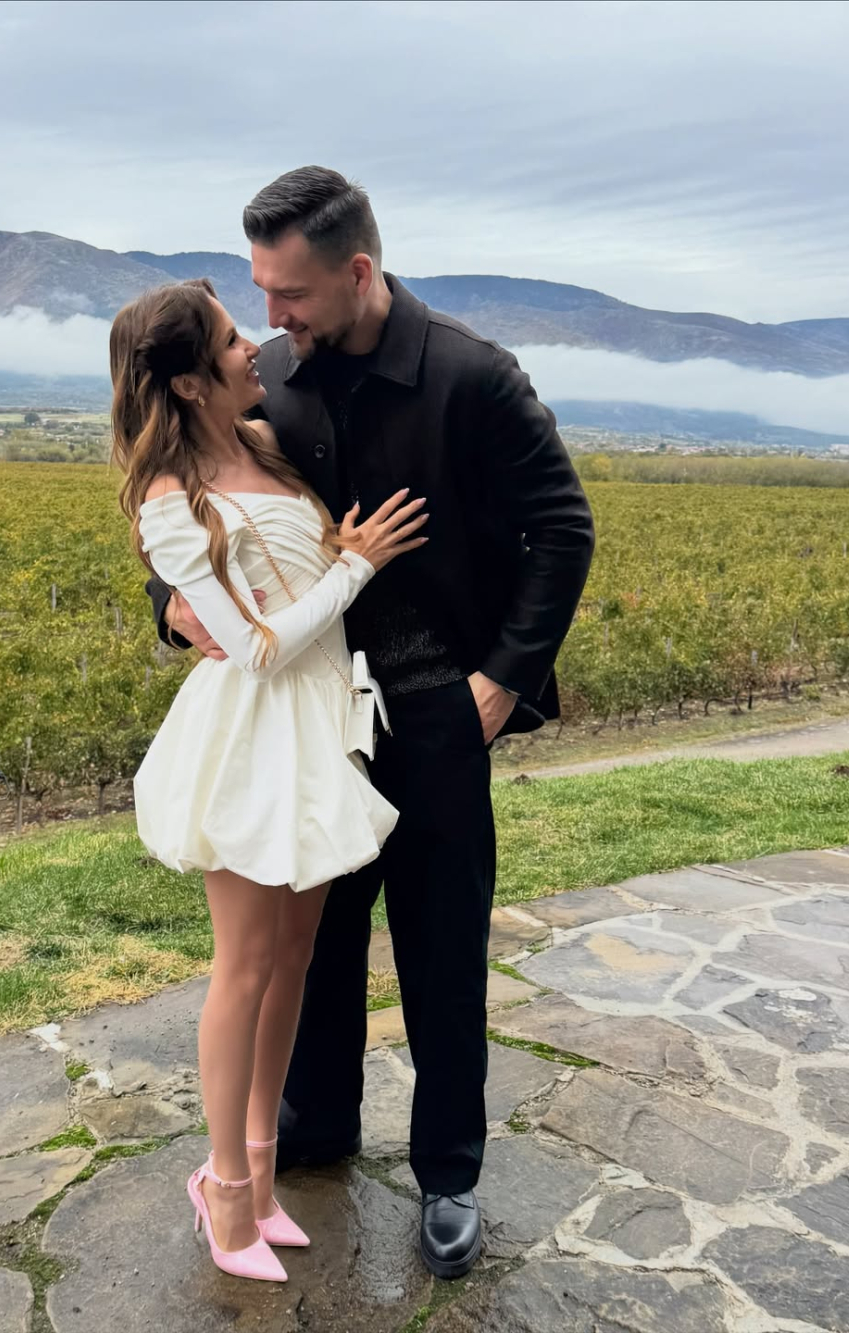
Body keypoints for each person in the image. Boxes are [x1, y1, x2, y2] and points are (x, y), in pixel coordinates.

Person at [146, 167, 595, 1279]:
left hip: (440, 710)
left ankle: (447, 1173)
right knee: (311, 942)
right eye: (259, 291)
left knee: (443, 950)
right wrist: (167, 608)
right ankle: (314, 1127)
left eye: (290, 293)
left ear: (357, 271)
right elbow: (194, 501)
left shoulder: (475, 376)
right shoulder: (272, 376)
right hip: (302, 722)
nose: (271, 317)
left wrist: (501, 682)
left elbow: (562, 529)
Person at [111, 277, 427, 1282]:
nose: (255, 348)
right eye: (230, 341)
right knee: (244, 965)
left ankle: (257, 1173)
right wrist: (356, 565)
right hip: (251, 737)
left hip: (316, 725)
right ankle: (224, 1189)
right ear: (188, 381)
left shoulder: (265, 444)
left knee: (293, 958)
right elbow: (252, 649)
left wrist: (338, 559)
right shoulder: (171, 501)